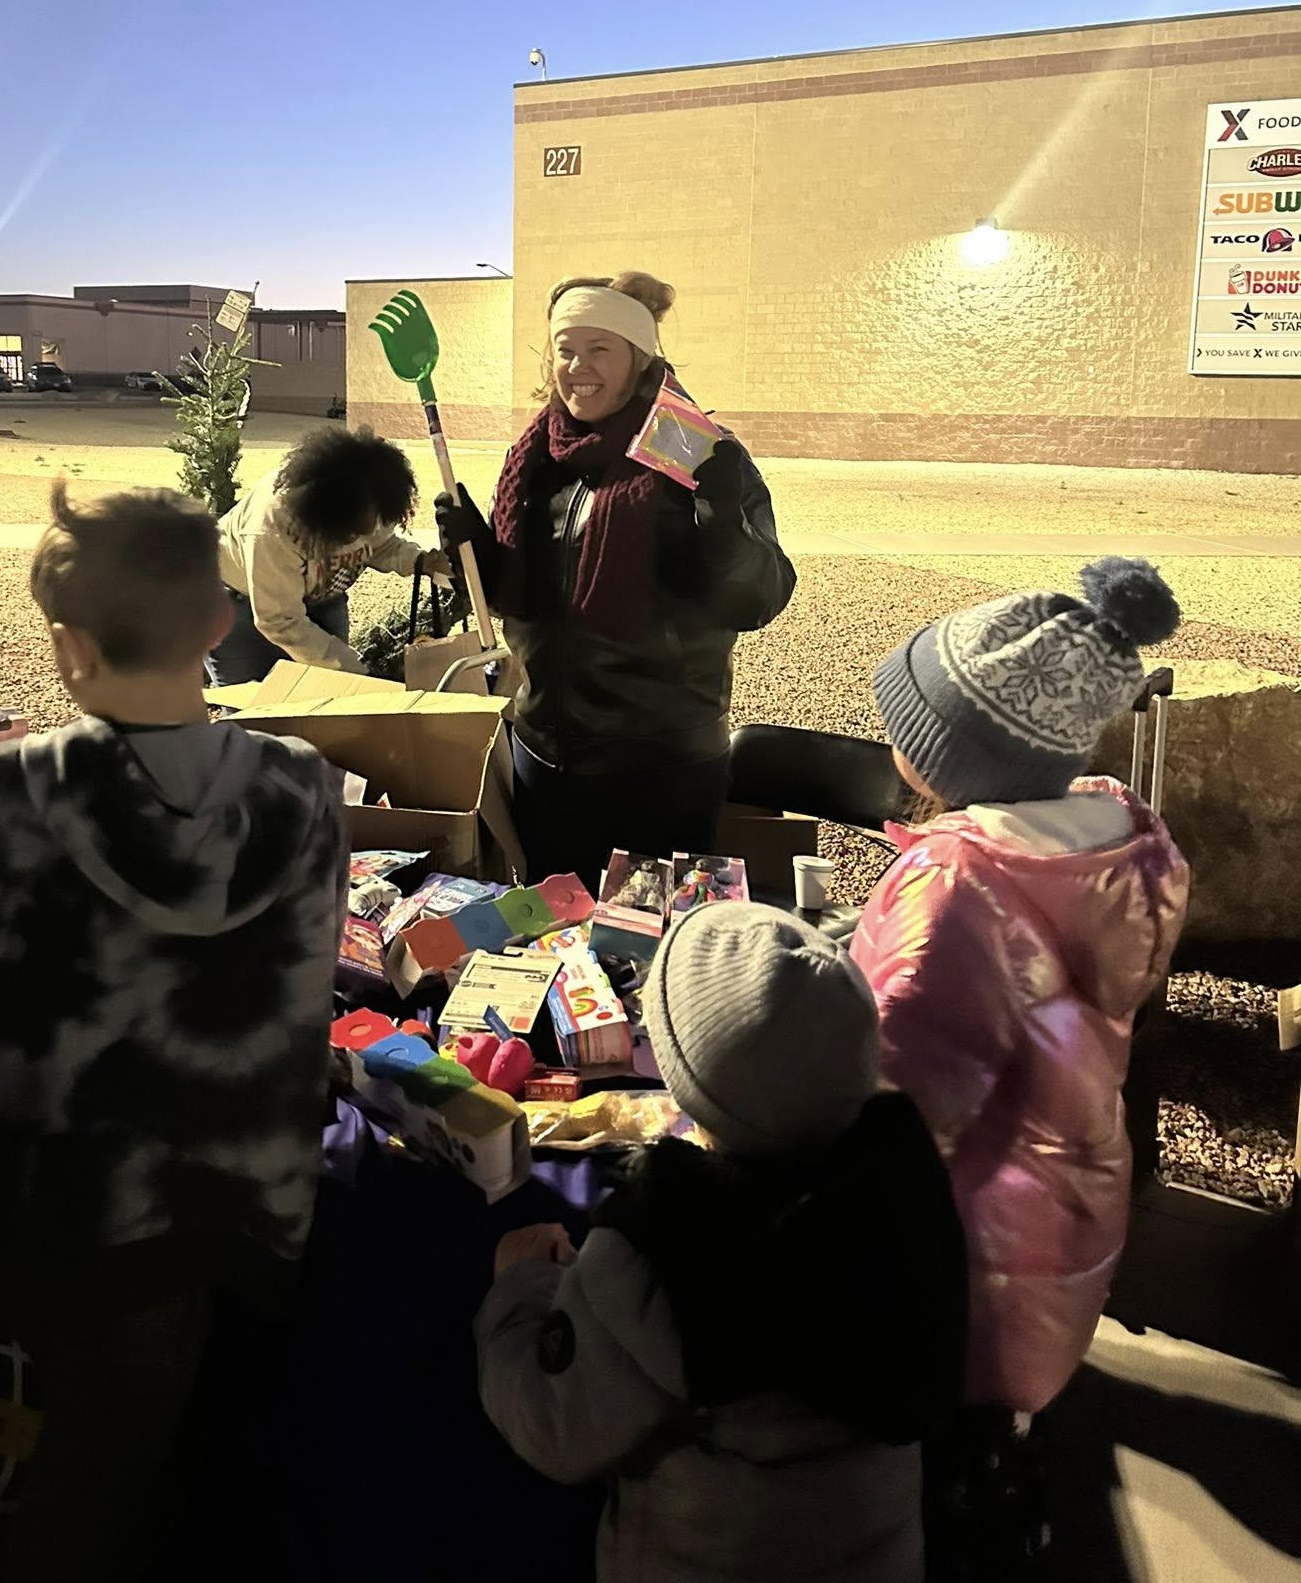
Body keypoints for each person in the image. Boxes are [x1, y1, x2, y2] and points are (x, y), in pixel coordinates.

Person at [0, 482, 347, 1583]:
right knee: (150, 1455)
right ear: (217, 621)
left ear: (67, 646)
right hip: (231, 1199)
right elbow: (304, 996)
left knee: (90, 1484)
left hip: (55, 1204)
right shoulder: (297, 789)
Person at [848, 558, 1190, 1574]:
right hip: (1062, 1209)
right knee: (991, 1419)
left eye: (912, 726)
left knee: (939, 1443)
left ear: (961, 760)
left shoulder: (959, 887)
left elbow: (892, 1098)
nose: (893, 739)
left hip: (970, 1250)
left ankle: (964, 1516)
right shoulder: (1109, 840)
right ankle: (994, 1470)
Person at [477, 904, 968, 1583]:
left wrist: (520, 1290)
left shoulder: (662, 1253)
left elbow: (553, 1426)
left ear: (688, 1080)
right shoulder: (907, 1195)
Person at [438, 272, 794, 888]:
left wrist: (724, 526)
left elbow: (758, 598)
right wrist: (479, 556)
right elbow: (523, 603)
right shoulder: (538, 457)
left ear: (640, 356)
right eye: (566, 349)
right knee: (555, 939)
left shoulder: (695, 451)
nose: (578, 367)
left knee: (648, 947)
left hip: (660, 766)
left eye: (600, 349)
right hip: (544, 756)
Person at [209, 425, 449, 684]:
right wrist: (354, 671)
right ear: (323, 517)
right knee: (253, 711)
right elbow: (279, 619)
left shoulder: (375, 497)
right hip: (238, 608)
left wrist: (419, 561)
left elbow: (379, 545)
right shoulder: (274, 525)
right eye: (351, 534)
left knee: (327, 700)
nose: (359, 541)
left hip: (320, 599)